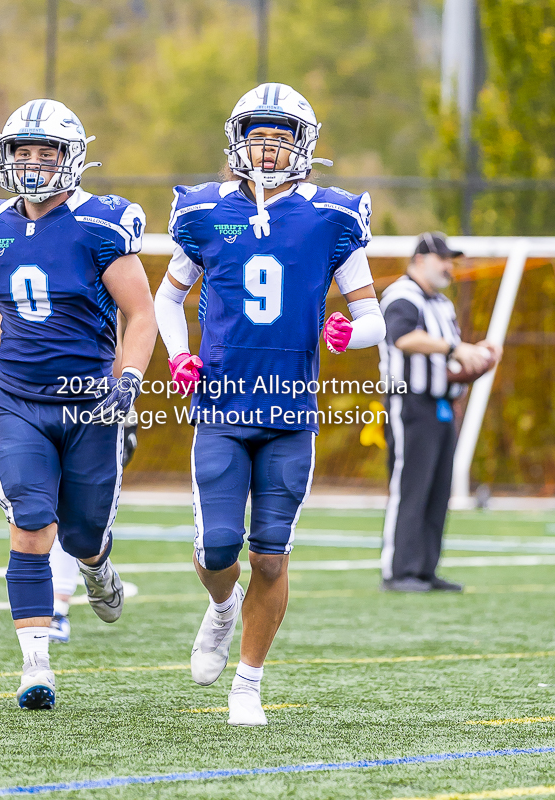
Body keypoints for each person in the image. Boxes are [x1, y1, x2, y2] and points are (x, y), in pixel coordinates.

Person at [154, 82, 385, 726]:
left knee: (270, 555)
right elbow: (167, 300)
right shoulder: (204, 211)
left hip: (290, 412)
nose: (269, 150)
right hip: (222, 405)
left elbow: (372, 316)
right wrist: (178, 357)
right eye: (257, 138)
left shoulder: (331, 217)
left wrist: (345, 330)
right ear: (237, 143)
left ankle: (248, 684)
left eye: (281, 139)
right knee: (218, 550)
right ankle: (222, 608)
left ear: (304, 147)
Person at [0, 99, 157, 709]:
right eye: (22, 151)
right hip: (20, 401)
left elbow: (141, 313)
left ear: (71, 158)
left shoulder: (102, 224)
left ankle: (98, 567)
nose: (31, 163)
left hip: (90, 406)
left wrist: (128, 380)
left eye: (44, 152)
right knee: (30, 525)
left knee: (80, 535)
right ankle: (35, 664)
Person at [0, 309, 140, 645]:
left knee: (79, 519)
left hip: (89, 406)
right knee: (38, 514)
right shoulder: (15, 275)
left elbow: (118, 344)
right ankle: (56, 611)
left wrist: (126, 398)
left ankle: (92, 570)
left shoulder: (98, 262)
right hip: (31, 408)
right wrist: (21, 315)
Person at [378, 232, 502, 593]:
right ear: (420, 259)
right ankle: (398, 571)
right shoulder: (403, 295)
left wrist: (474, 356)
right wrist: (455, 348)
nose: (450, 266)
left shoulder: (442, 305)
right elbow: (402, 338)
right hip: (410, 403)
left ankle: (425, 569)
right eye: (443, 258)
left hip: (442, 404)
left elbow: (450, 357)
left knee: (437, 489)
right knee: (410, 486)